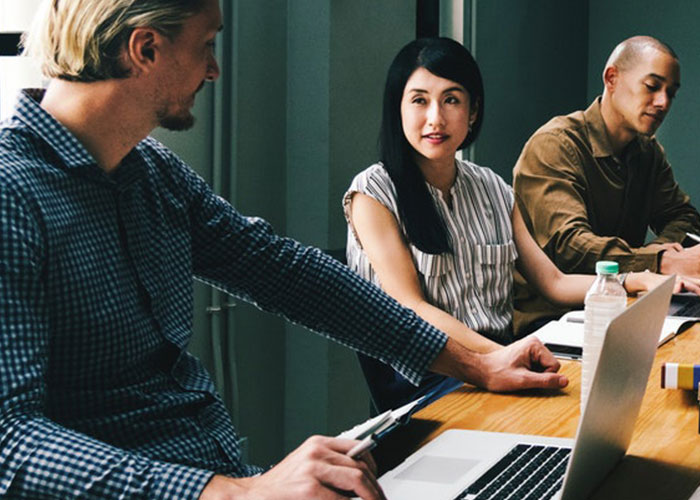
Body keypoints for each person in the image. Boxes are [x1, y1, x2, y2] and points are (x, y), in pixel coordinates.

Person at [0, 2, 574, 499]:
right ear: (146, 49)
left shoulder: (155, 176)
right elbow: (10, 442)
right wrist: (237, 491)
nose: (215, 68)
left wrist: (477, 363)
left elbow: (289, 273)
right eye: (206, 45)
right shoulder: (12, 197)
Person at [343, 37, 693, 411]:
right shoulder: (373, 193)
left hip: (499, 366)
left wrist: (633, 279)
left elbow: (554, 282)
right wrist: (501, 356)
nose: (435, 118)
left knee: (623, 400)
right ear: (397, 107)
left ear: (473, 111)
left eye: (451, 100)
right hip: (426, 383)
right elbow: (412, 308)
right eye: (419, 100)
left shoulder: (493, 188)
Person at [512, 35, 700, 335]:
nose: (663, 102)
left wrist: (657, 254)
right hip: (553, 321)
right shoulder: (554, 145)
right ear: (611, 78)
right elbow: (570, 247)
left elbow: (683, 216)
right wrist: (659, 262)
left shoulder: (647, 151)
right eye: (652, 86)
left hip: (624, 304)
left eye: (671, 93)